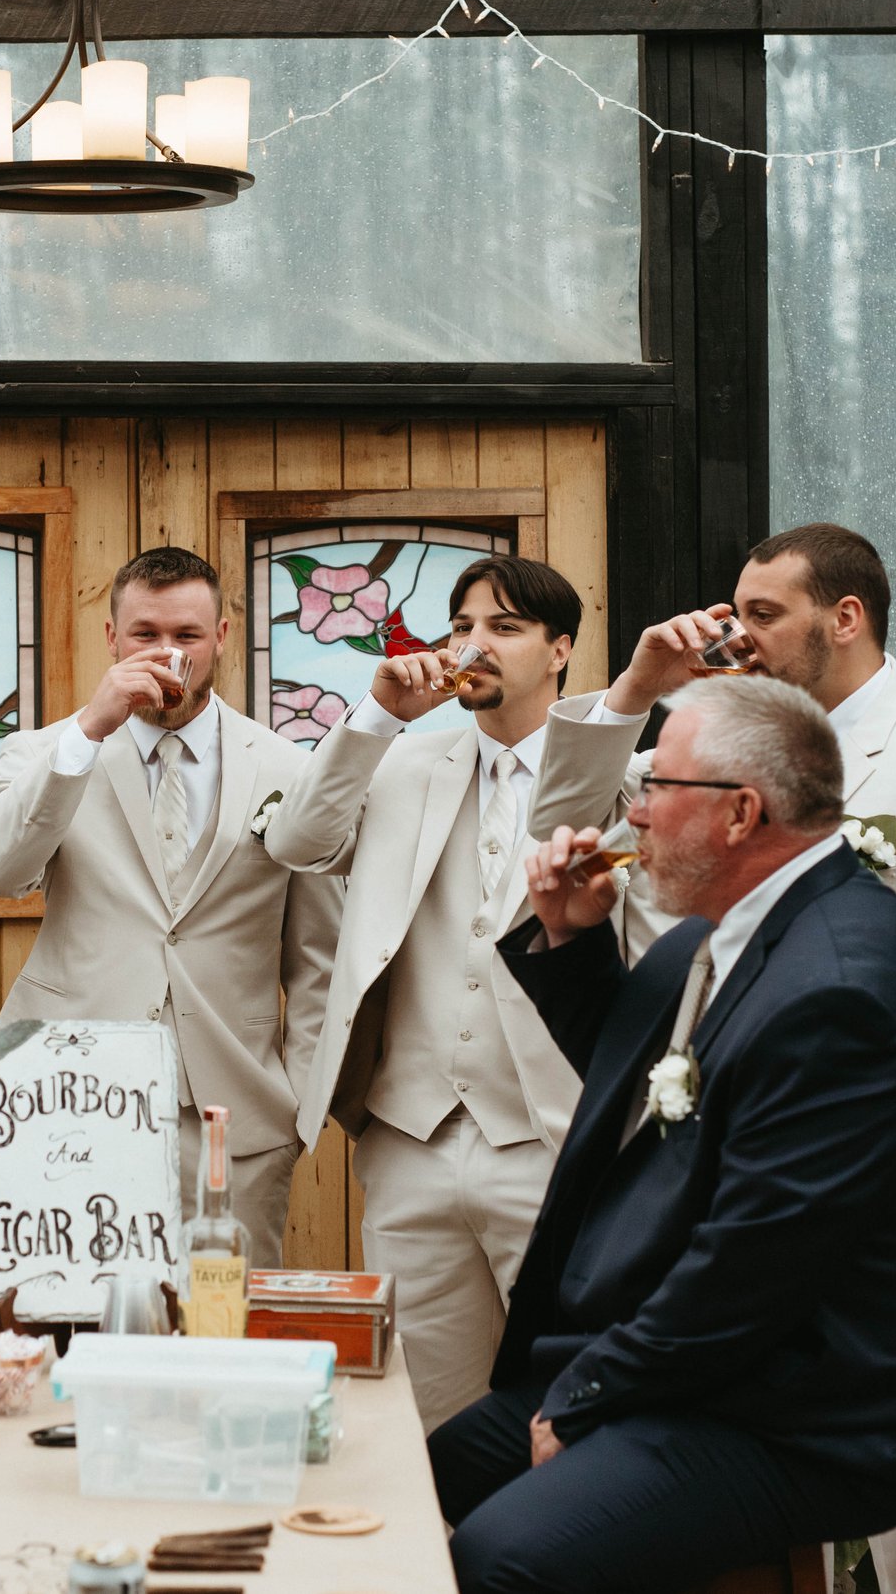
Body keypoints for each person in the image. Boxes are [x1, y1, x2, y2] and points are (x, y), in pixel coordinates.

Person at [528, 523, 896, 1591]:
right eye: (736, 611)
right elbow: (564, 825)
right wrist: (637, 687)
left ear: (843, 617)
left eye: (763, 613)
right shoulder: (716, 738)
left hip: (876, 1233)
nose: (736, 633)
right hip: (742, 1203)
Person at [433, 676, 896, 1594]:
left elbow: (753, 1265)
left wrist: (591, 1393)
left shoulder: (839, 990)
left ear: (740, 813)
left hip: (801, 1408)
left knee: (501, 1559)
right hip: (702, 1363)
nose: (635, 813)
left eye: (657, 788)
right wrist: (571, 943)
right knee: (424, 1479)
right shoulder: (734, 929)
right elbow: (651, 1081)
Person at [261, 556, 628, 1430]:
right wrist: (379, 715)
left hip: (548, 1136)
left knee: (568, 1408)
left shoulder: (622, 775)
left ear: (561, 649)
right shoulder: (400, 763)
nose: (474, 644)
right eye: (463, 626)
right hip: (409, 1137)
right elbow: (297, 841)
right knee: (431, 1416)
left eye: (504, 627)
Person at [0, 548, 340, 1262]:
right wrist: (88, 732)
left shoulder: (291, 768)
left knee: (224, 1333)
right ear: (111, 638)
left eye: (188, 635)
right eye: (145, 634)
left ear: (222, 636)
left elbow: (317, 959)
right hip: (67, 1097)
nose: (168, 653)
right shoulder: (44, 752)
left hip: (234, 1114)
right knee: (68, 1332)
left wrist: (296, 1101)